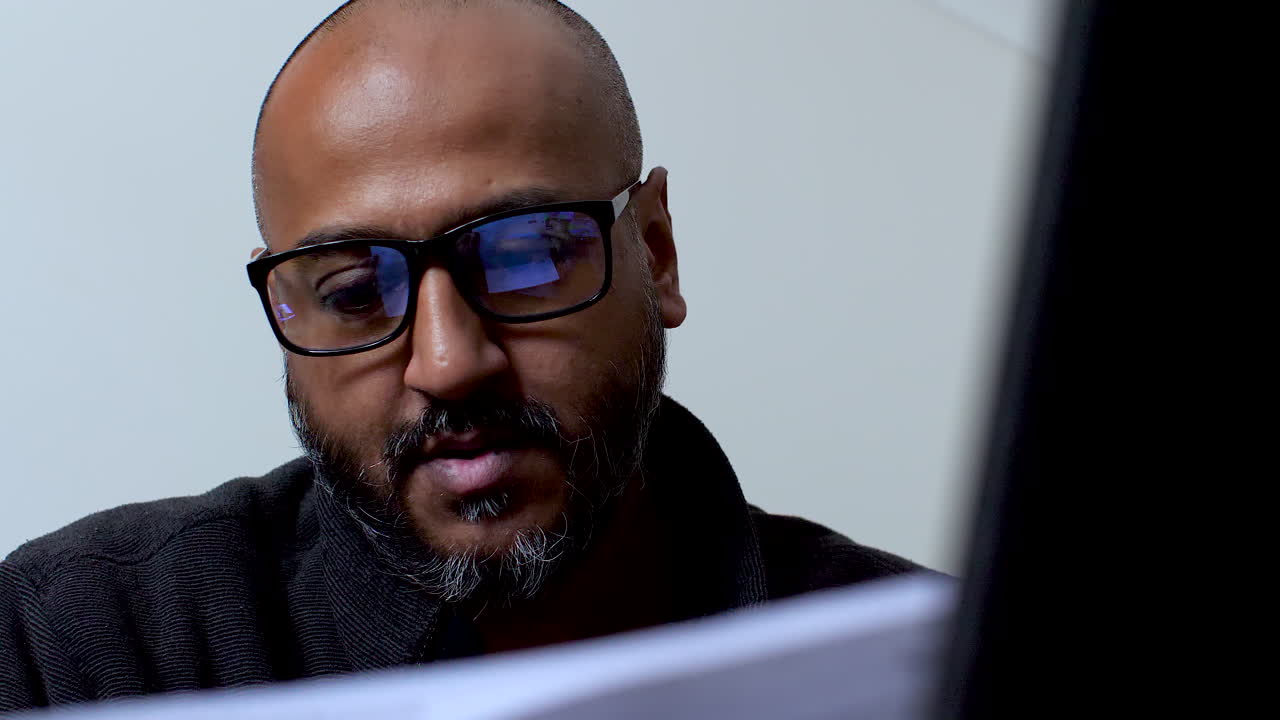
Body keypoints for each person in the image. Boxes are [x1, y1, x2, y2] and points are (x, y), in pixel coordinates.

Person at [0, 0, 923, 710]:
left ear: (658, 254)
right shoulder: (71, 647)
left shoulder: (934, 661)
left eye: (524, 258)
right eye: (354, 291)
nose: (445, 364)